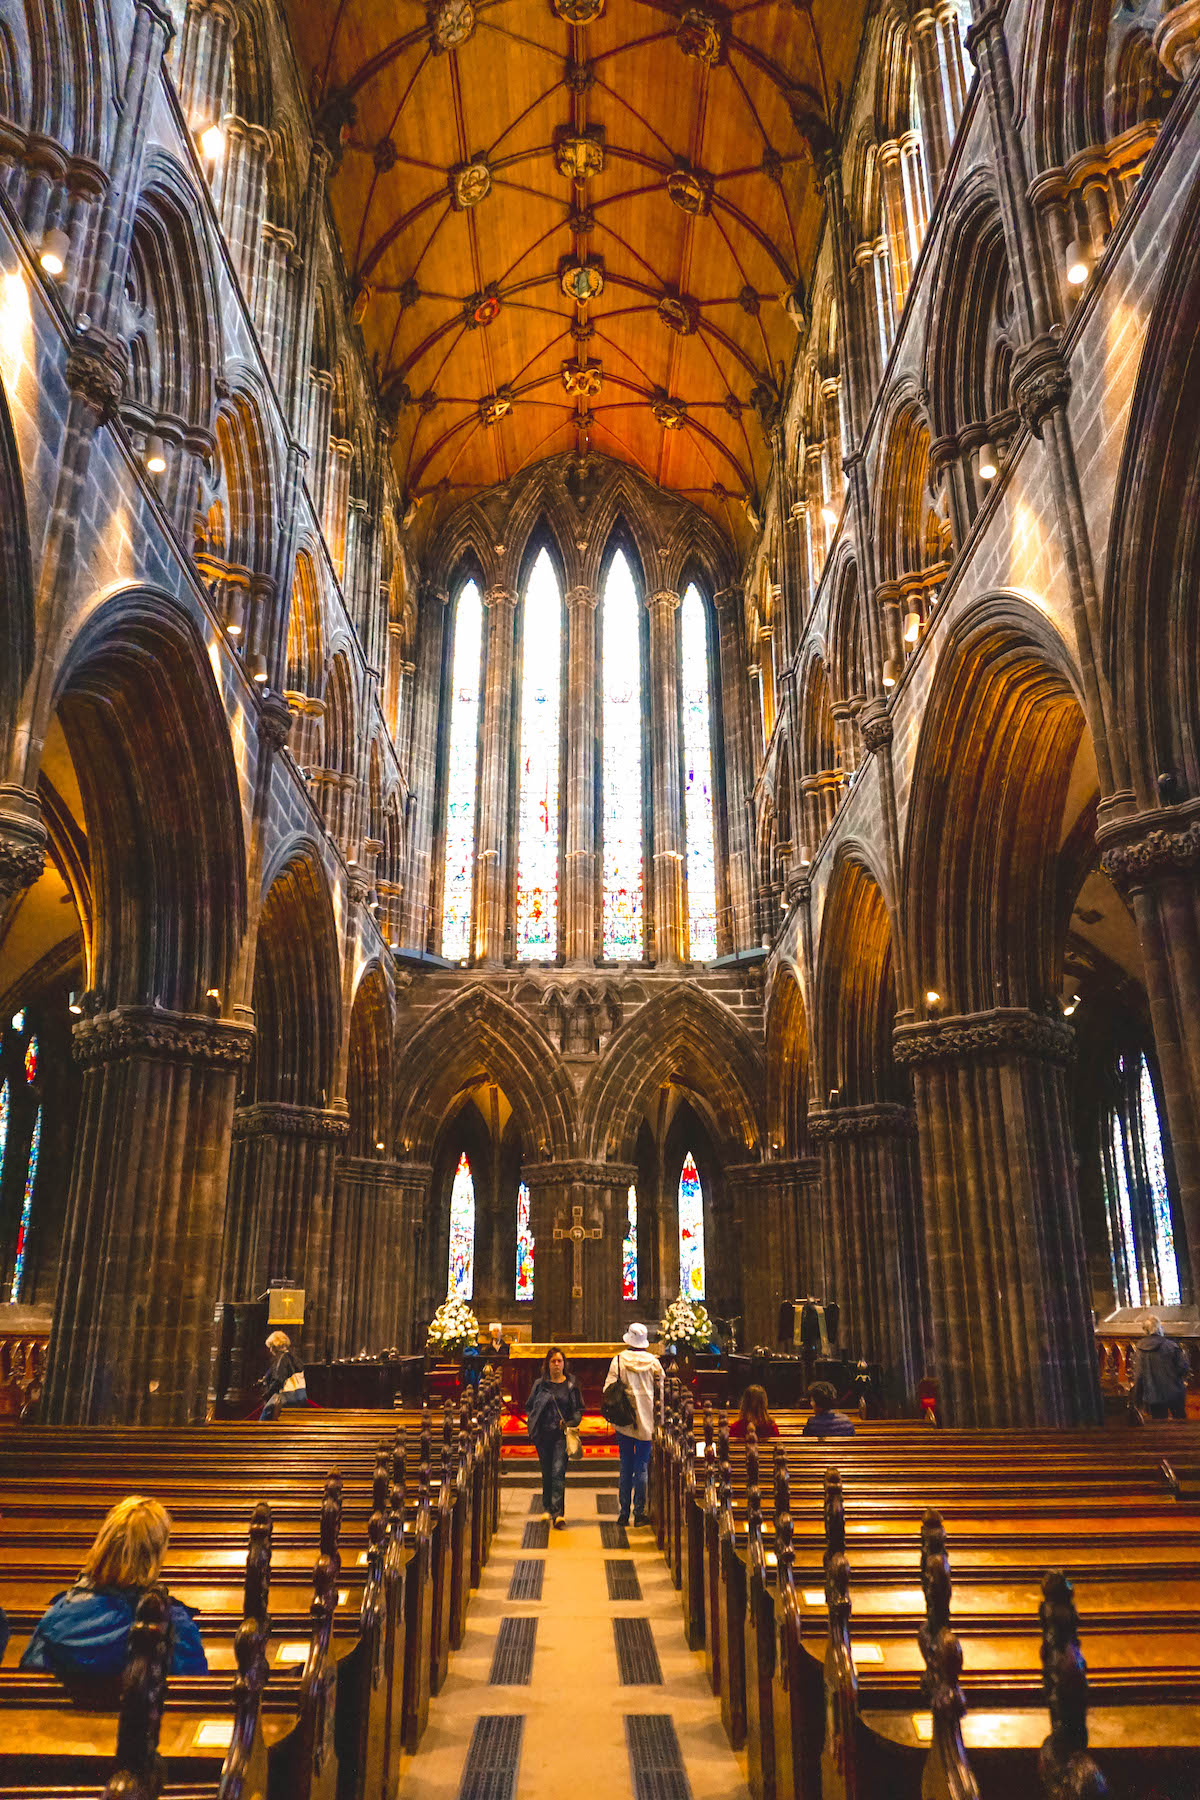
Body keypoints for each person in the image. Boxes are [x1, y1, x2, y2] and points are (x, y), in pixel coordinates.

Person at [20, 1496, 206, 1685]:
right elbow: (193, 1699)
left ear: (103, 1546)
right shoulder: (172, 1626)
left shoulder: (58, 1617)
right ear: (155, 1557)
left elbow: (28, 1685)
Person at [606, 1323, 665, 1527]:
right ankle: (639, 1513)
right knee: (641, 1468)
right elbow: (662, 1394)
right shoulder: (654, 1363)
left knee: (625, 1466)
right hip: (647, 1420)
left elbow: (608, 1389)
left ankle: (623, 1513)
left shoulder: (619, 1360)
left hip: (624, 1420)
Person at [525, 1347, 583, 1528]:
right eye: (553, 1361)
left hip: (561, 1435)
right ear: (547, 1364)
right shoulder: (540, 1384)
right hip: (543, 1434)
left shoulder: (571, 1384)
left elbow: (578, 1409)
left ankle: (558, 1513)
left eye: (559, 1361)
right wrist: (534, 1422)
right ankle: (547, 1507)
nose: (556, 1365)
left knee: (558, 1472)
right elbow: (529, 1406)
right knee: (547, 1471)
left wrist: (572, 1422)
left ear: (564, 1364)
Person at [1134, 1316, 1190, 1420]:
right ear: (1159, 1328)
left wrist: (1137, 1400)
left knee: (1159, 1427)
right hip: (1174, 1393)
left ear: (1145, 1330)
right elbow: (1183, 1368)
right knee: (1181, 1425)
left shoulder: (1140, 1348)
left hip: (1153, 1395)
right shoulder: (1171, 1346)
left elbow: (1139, 1376)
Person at [260, 1329, 305, 1418]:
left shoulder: (282, 1359)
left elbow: (278, 1380)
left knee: (264, 1420)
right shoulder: (293, 1357)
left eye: (271, 1346)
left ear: (275, 1346)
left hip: (285, 1397)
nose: (270, 1350)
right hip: (298, 1396)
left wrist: (267, 1394)